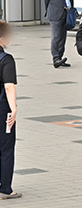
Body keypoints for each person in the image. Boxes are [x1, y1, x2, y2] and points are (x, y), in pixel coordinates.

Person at [0, 22, 21, 199]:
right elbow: (9, 87)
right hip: (2, 109)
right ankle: (5, 188)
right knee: (6, 148)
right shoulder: (6, 59)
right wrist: (14, 109)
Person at [43, 0, 76, 68]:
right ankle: (56, 58)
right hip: (55, 13)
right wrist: (50, 9)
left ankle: (60, 57)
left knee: (62, 37)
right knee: (56, 36)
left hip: (65, 13)